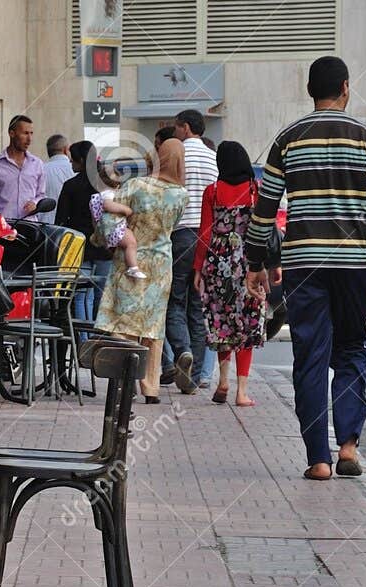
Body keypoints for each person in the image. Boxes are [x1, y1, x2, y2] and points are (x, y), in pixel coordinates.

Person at [247, 55, 366, 481]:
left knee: (310, 357)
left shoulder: (287, 139)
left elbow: (264, 208)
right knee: (350, 349)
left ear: (310, 90)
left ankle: (318, 459)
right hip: (354, 266)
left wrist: (256, 261)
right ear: (346, 87)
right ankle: (348, 445)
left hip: (304, 264)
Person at [94, 138, 188, 401]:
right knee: (153, 326)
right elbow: (173, 226)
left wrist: (102, 240)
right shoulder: (182, 195)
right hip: (161, 265)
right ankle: (151, 387)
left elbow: (109, 220)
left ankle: (124, 382)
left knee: (124, 322)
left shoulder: (135, 186)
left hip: (130, 260)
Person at [192, 140, 264, 407]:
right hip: (248, 262)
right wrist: (268, 266)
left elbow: (204, 232)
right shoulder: (256, 190)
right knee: (248, 321)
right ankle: (241, 392)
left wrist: (198, 268)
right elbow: (264, 231)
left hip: (217, 262)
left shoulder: (212, 191)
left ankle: (223, 380)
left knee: (222, 321)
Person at [166, 109, 218, 394]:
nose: (175, 133)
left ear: (185, 127)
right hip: (207, 238)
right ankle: (194, 376)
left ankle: (182, 350)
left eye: (176, 128)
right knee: (198, 308)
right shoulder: (213, 158)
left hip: (180, 234)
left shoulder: (177, 154)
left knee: (175, 301)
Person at [58, 140, 112, 321]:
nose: (71, 163)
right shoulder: (105, 183)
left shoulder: (70, 186)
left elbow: (61, 221)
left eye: (72, 160)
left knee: (81, 297)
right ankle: (100, 333)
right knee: (101, 296)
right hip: (105, 247)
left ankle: (83, 336)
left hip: (79, 247)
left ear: (81, 160)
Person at [0, 114, 46, 222]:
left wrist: (35, 203)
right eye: (25, 133)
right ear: (11, 133)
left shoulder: (37, 164)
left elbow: (41, 195)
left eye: (31, 133)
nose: (29, 139)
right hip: (3, 227)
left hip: (30, 226)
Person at [91, 187, 146, 279]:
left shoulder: (98, 196)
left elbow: (94, 220)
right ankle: (133, 267)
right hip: (114, 227)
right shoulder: (108, 193)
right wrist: (126, 210)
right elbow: (107, 205)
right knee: (131, 244)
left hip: (108, 229)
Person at [42, 134, 74, 220]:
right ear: (66, 150)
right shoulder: (76, 170)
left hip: (44, 223)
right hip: (70, 224)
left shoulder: (40, 170)